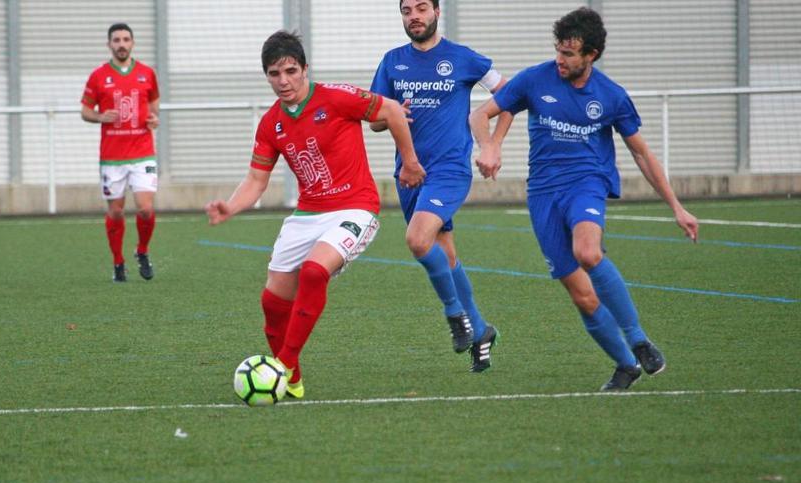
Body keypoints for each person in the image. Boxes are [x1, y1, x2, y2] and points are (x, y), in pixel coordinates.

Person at [469, 7, 699, 390]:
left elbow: (641, 153)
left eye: (569, 54)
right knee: (582, 296)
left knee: (589, 252)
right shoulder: (535, 78)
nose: (560, 59)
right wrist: (489, 145)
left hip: (586, 184)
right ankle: (626, 365)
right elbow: (481, 113)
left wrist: (676, 206)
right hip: (542, 193)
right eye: (558, 50)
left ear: (591, 55)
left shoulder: (611, 96)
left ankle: (639, 339)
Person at [205, 30, 424, 399]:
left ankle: (284, 364)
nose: (284, 81)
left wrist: (410, 162)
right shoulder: (271, 123)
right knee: (272, 302)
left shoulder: (336, 97)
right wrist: (231, 205)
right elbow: (256, 180)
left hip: (356, 206)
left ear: (305, 69)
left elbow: (389, 110)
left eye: (291, 70)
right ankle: (292, 380)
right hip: (308, 214)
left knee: (313, 271)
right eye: (275, 74)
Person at [370, 0, 512, 372]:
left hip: (449, 171)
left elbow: (511, 95)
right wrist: (393, 113)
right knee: (445, 255)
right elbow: (374, 120)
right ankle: (480, 329)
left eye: (421, 8)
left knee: (418, 240)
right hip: (408, 173)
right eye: (406, 10)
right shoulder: (392, 61)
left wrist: (492, 144)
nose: (414, 16)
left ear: (436, 11)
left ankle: (455, 315)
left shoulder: (463, 58)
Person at [81, 23, 160, 282]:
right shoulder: (98, 76)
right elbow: (85, 111)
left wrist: (154, 118)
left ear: (133, 43)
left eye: (126, 39)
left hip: (142, 152)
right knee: (116, 212)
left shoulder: (147, 73)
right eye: (117, 40)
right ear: (109, 45)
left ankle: (142, 251)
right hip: (112, 156)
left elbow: (154, 105)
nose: (122, 44)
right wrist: (101, 116)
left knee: (146, 209)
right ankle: (118, 262)